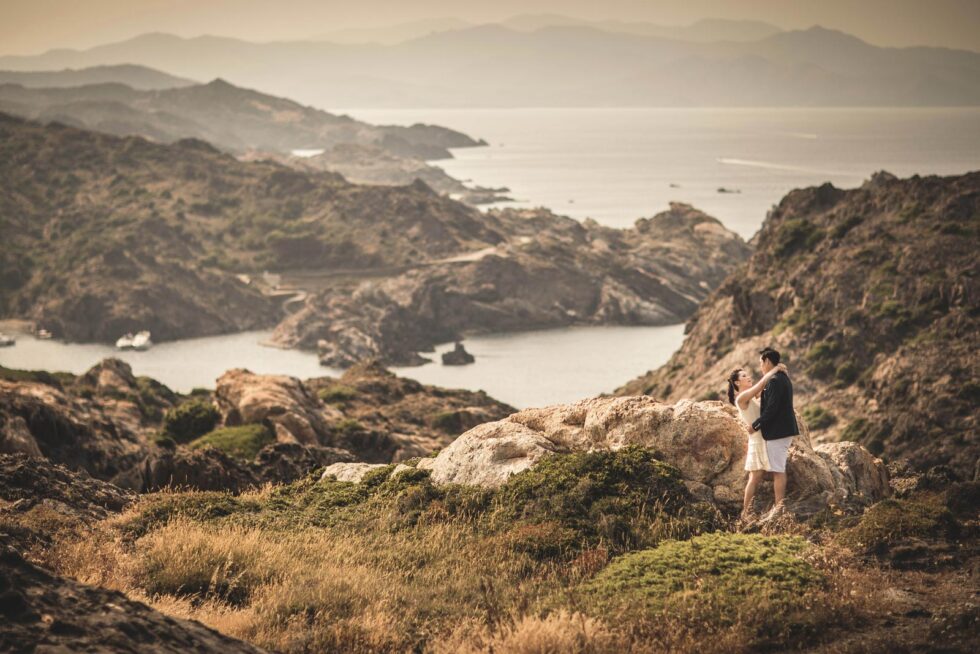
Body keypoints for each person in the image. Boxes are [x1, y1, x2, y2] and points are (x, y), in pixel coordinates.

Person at [727, 360, 788, 518]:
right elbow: (761, 384)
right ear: (737, 382)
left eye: (748, 374)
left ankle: (772, 510)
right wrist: (774, 369)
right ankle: (746, 513)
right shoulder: (741, 398)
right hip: (759, 439)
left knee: (759, 476)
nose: (749, 377)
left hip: (762, 438)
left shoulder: (751, 397)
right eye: (744, 376)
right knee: (756, 477)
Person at [750, 347, 799, 513]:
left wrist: (755, 424)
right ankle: (779, 506)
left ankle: (779, 508)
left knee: (778, 471)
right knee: (777, 469)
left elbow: (771, 409)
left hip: (779, 432)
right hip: (782, 430)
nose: (760, 367)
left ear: (767, 361)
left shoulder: (775, 381)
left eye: (761, 363)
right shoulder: (780, 377)